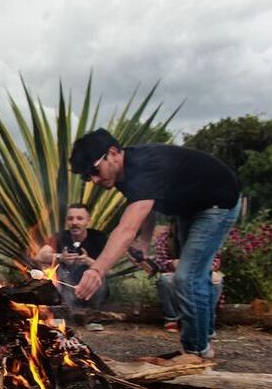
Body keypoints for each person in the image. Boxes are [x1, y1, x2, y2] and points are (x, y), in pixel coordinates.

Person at [69, 128, 240, 358]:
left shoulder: (146, 165)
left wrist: (97, 270)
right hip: (189, 209)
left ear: (112, 153)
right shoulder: (122, 175)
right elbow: (146, 207)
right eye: (88, 177)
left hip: (217, 205)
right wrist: (144, 242)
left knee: (187, 277)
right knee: (196, 276)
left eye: (95, 170)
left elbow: (127, 228)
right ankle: (204, 337)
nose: (95, 180)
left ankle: (196, 352)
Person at [36, 203, 109, 325]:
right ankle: (60, 314)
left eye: (80, 218)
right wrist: (60, 257)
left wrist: (88, 262)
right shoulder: (61, 236)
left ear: (88, 221)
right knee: (54, 271)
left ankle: (94, 315)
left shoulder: (99, 238)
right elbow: (39, 256)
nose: (74, 222)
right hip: (68, 290)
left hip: (91, 291)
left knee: (98, 273)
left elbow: (109, 269)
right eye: (71, 219)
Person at [154, 224, 224, 335]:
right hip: (175, 273)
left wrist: (206, 269)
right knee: (165, 280)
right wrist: (172, 264)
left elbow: (215, 260)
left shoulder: (208, 235)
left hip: (201, 272)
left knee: (216, 281)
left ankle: (205, 322)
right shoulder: (166, 236)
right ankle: (172, 319)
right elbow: (160, 261)